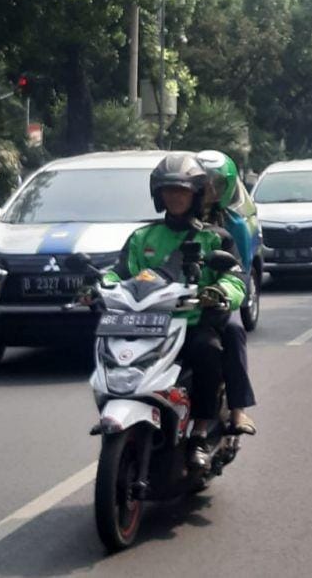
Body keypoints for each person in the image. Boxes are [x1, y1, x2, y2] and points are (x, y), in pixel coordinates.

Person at [103, 152, 257, 469]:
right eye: (168, 190)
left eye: (181, 191)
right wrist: (99, 287)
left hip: (193, 323)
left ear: (195, 194)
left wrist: (220, 292)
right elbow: (120, 272)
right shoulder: (142, 237)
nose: (174, 197)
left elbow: (236, 277)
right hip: (146, 323)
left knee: (208, 349)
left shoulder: (216, 237)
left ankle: (199, 432)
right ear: (158, 195)